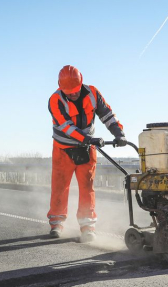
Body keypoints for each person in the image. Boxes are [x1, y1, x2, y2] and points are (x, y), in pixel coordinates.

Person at [47, 65, 127, 242]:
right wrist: (88, 139)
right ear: (61, 87)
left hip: (87, 149)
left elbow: (106, 114)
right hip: (63, 150)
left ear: (81, 83)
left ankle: (87, 226)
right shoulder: (55, 100)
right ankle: (56, 224)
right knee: (60, 187)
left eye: (75, 91)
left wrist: (118, 133)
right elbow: (66, 127)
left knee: (87, 187)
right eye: (69, 92)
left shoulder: (93, 93)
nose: (73, 95)